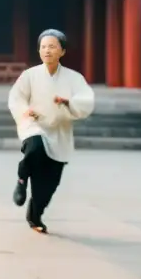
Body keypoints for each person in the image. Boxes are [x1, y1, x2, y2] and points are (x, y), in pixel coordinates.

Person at [8, 28, 95, 234]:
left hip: (60, 130)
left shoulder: (74, 78)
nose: (47, 50)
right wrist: (25, 110)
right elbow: (16, 98)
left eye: (52, 47)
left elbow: (86, 100)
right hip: (34, 124)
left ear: (62, 51)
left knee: (48, 184)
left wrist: (68, 102)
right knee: (35, 146)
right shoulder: (29, 75)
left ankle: (35, 214)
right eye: (43, 47)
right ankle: (22, 179)